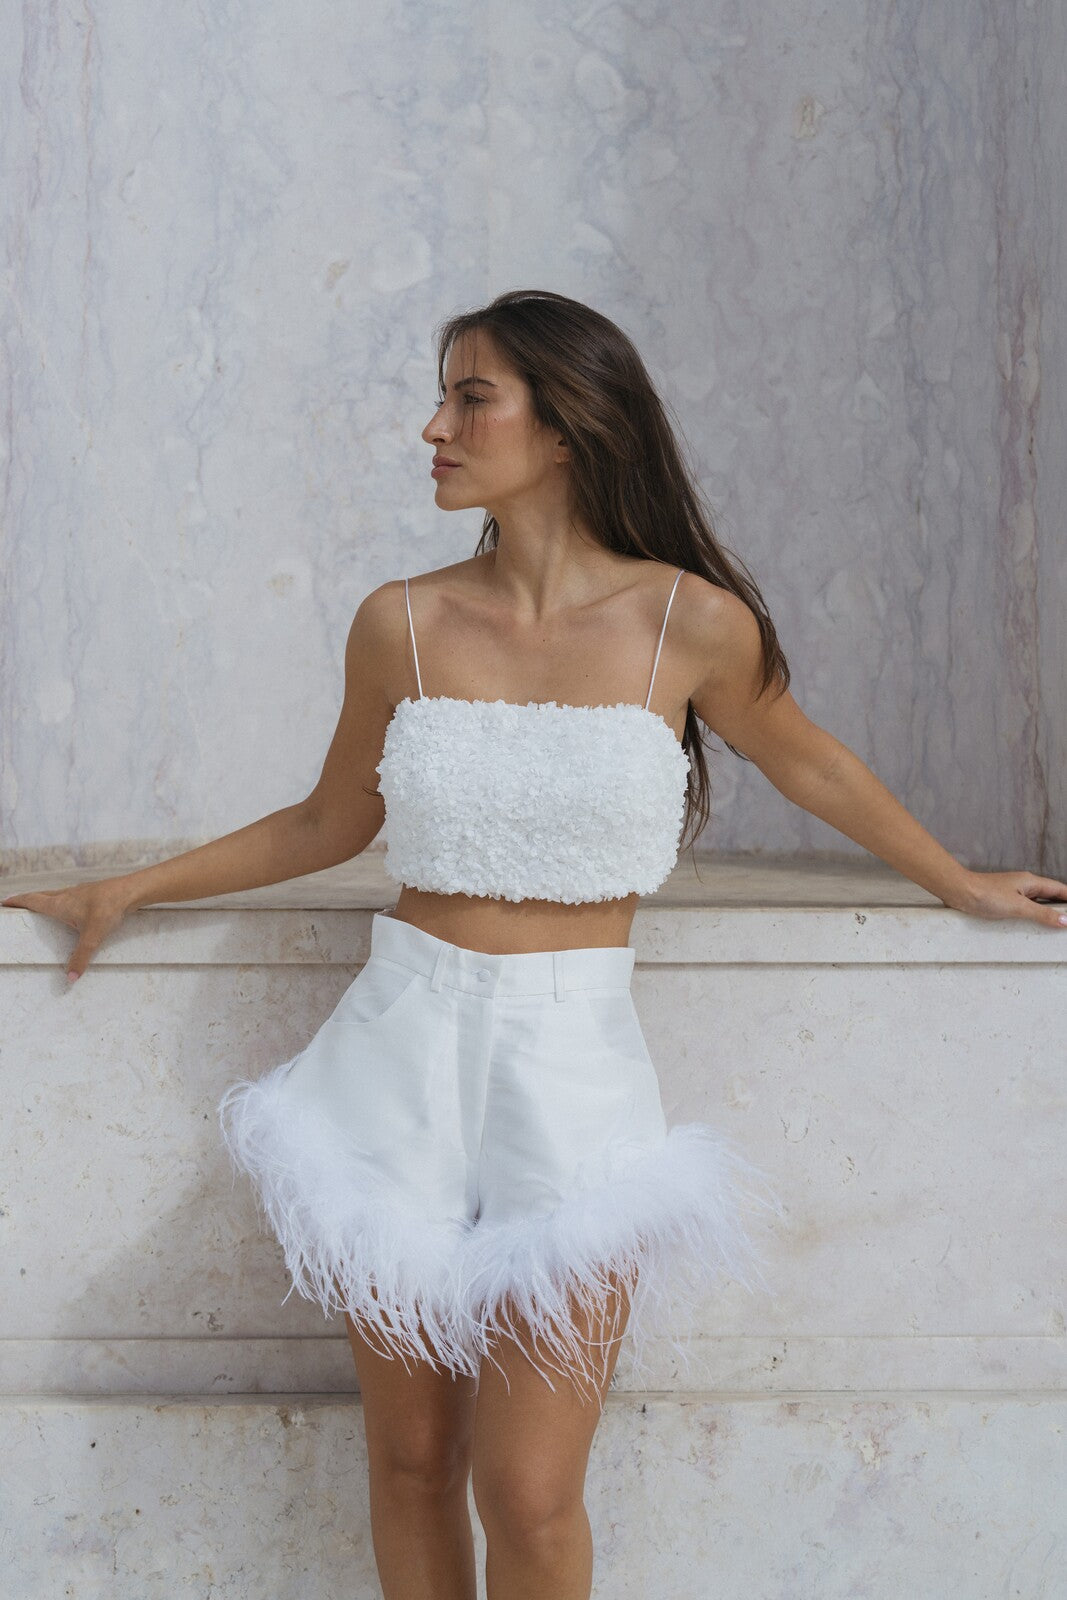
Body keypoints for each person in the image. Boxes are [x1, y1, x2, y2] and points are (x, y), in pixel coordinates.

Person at [5, 288, 1066, 1600]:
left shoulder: (690, 622)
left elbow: (818, 772)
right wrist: (129, 889)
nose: (432, 428)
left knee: (533, 1497)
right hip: (395, 1055)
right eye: (443, 397)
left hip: (573, 1069)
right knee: (408, 1463)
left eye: (470, 397)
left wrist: (958, 881)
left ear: (564, 426)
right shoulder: (401, 620)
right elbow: (331, 818)